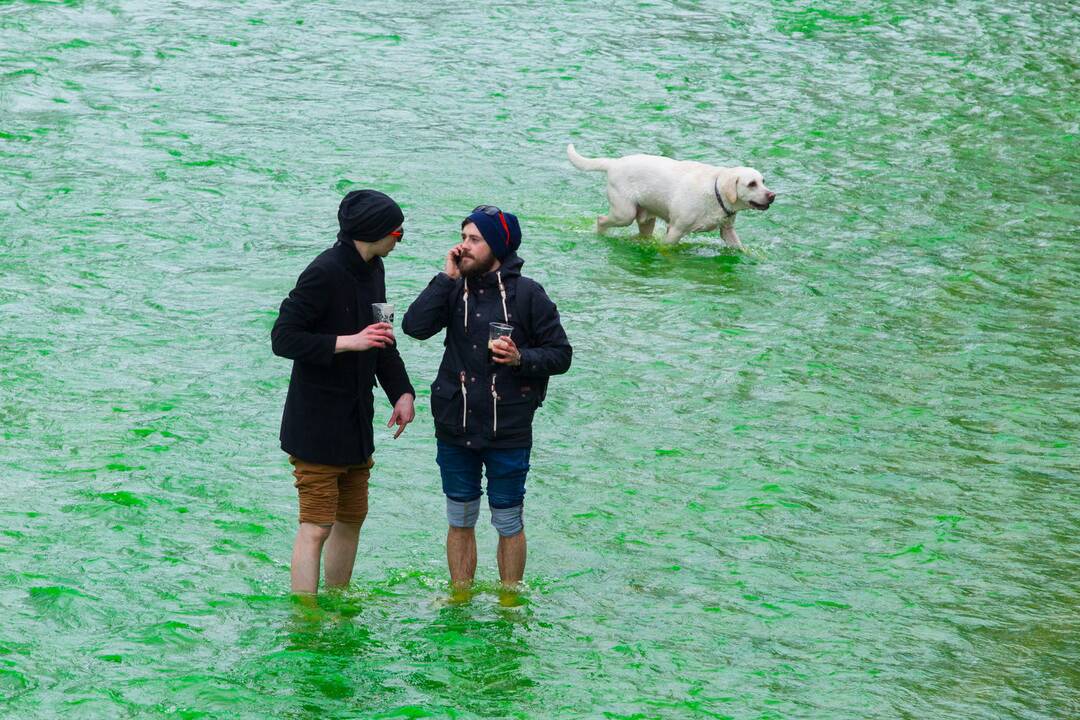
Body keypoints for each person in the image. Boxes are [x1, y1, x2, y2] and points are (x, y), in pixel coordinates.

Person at [402, 205, 571, 600]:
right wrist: (445, 278)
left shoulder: (529, 294)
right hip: (454, 421)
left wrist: (520, 358)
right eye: (463, 237)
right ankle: (460, 597)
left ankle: (509, 600)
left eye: (474, 239)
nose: (464, 246)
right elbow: (414, 327)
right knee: (459, 517)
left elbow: (561, 354)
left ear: (497, 245)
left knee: (508, 519)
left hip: (508, 426)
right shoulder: (452, 289)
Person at [271, 189, 415, 595]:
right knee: (316, 526)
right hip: (316, 425)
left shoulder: (374, 268)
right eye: (397, 232)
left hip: (355, 424)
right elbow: (283, 338)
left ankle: (337, 601)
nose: (399, 239)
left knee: (352, 518)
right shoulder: (323, 272)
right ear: (373, 233)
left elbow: (381, 339)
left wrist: (402, 393)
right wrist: (346, 342)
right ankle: (305, 617)